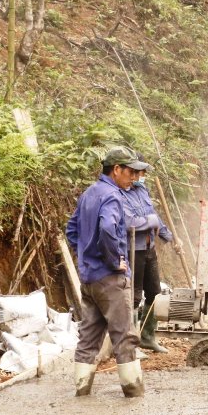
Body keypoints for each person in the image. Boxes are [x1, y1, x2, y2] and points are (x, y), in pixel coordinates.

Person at [65, 146, 146, 398]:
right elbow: (108, 230)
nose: (134, 178)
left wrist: (86, 257)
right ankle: (134, 394)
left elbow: (71, 230)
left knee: (89, 337)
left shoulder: (89, 193)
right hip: (110, 279)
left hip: (89, 279)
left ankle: (81, 391)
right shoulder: (112, 196)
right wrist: (114, 262)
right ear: (116, 170)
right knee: (124, 337)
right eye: (130, 172)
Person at [120, 156, 180, 353]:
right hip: (132, 249)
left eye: (142, 173)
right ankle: (131, 342)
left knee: (154, 292)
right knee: (133, 296)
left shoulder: (142, 190)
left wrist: (170, 238)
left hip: (148, 247)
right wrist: (151, 220)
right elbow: (130, 223)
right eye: (137, 173)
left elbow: (155, 217)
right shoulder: (118, 194)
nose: (140, 176)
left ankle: (148, 336)